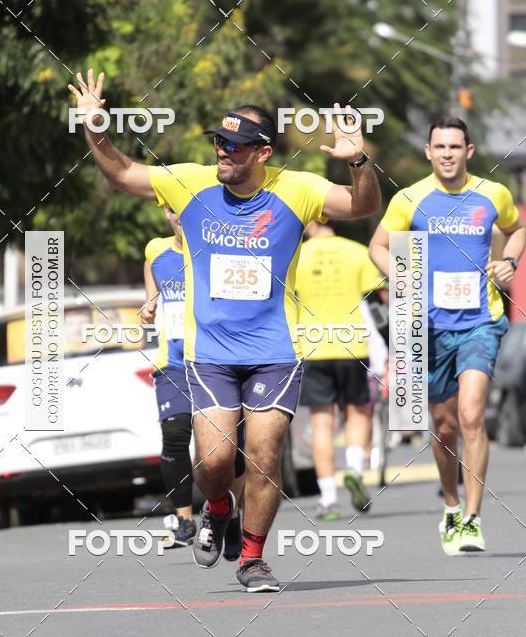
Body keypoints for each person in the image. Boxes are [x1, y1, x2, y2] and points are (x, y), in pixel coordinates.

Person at [68, 69, 381, 592]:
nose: (223, 154)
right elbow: (123, 174)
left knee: (264, 455)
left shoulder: (296, 189)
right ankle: (216, 507)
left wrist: (357, 159)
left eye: (235, 147)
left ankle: (253, 558)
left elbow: (364, 205)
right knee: (214, 460)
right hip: (208, 351)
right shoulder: (188, 182)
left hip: (275, 350)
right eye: (219, 143)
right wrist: (95, 130)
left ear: (262, 153)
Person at [369, 116, 525, 555]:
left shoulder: (493, 193)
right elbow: (378, 246)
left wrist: (509, 260)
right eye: (440, 147)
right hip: (430, 327)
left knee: (472, 415)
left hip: (481, 320)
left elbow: (517, 230)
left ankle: (473, 520)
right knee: (443, 426)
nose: (448, 154)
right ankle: (452, 506)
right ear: (428, 151)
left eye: (456, 147)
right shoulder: (409, 199)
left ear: (469, 152)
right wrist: (402, 278)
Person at [141, 206, 245, 554]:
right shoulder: (156, 250)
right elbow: (151, 288)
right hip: (173, 364)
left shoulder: (220, 251)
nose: (179, 218)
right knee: (174, 434)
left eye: (186, 211)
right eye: (172, 211)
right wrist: (149, 305)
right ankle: (184, 520)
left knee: (229, 451)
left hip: (218, 361)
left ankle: (230, 517)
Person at [295, 221, 386, 519]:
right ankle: (355, 470)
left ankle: (329, 500)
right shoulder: (358, 252)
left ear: (311, 221)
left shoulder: (297, 255)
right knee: (358, 412)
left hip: (313, 346)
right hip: (352, 346)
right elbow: (377, 302)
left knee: (322, 424)